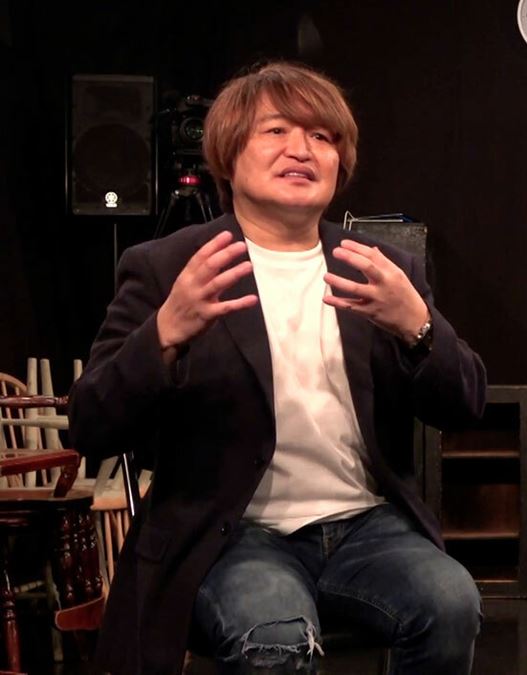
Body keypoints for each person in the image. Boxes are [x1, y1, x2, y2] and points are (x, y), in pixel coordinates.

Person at [69, 61, 487, 675]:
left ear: (340, 163)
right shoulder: (168, 265)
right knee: (275, 633)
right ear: (229, 155)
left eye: (321, 136)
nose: (302, 149)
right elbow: (90, 424)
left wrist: (417, 326)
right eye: (276, 131)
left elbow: (465, 405)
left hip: (365, 526)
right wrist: (162, 335)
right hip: (232, 532)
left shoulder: (378, 268)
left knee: (450, 601)